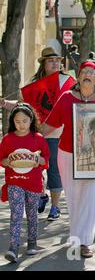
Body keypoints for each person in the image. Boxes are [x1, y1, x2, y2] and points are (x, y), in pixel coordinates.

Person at [41, 60, 95, 258]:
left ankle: (84, 243)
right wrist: (28, 136)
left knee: (91, 197)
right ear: (79, 76)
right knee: (74, 199)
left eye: (92, 72)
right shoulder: (66, 98)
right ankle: (76, 237)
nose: (88, 74)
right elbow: (49, 126)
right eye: (84, 71)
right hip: (68, 154)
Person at [0, 46, 76, 221]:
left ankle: (55, 207)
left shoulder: (68, 81)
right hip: (35, 134)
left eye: (58, 60)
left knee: (55, 171)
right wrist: (5, 103)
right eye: (51, 60)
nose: (55, 63)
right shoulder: (34, 83)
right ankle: (42, 194)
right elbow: (22, 106)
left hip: (58, 134)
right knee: (36, 168)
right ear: (44, 64)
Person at [0, 104, 50, 263]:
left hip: (34, 183)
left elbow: (46, 159)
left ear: (31, 120)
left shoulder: (38, 138)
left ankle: (32, 242)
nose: (21, 124)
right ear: (12, 121)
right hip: (15, 182)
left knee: (32, 214)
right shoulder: (8, 139)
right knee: (16, 214)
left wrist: (39, 160)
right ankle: (13, 247)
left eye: (24, 121)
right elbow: (1, 159)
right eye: (17, 121)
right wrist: (6, 161)